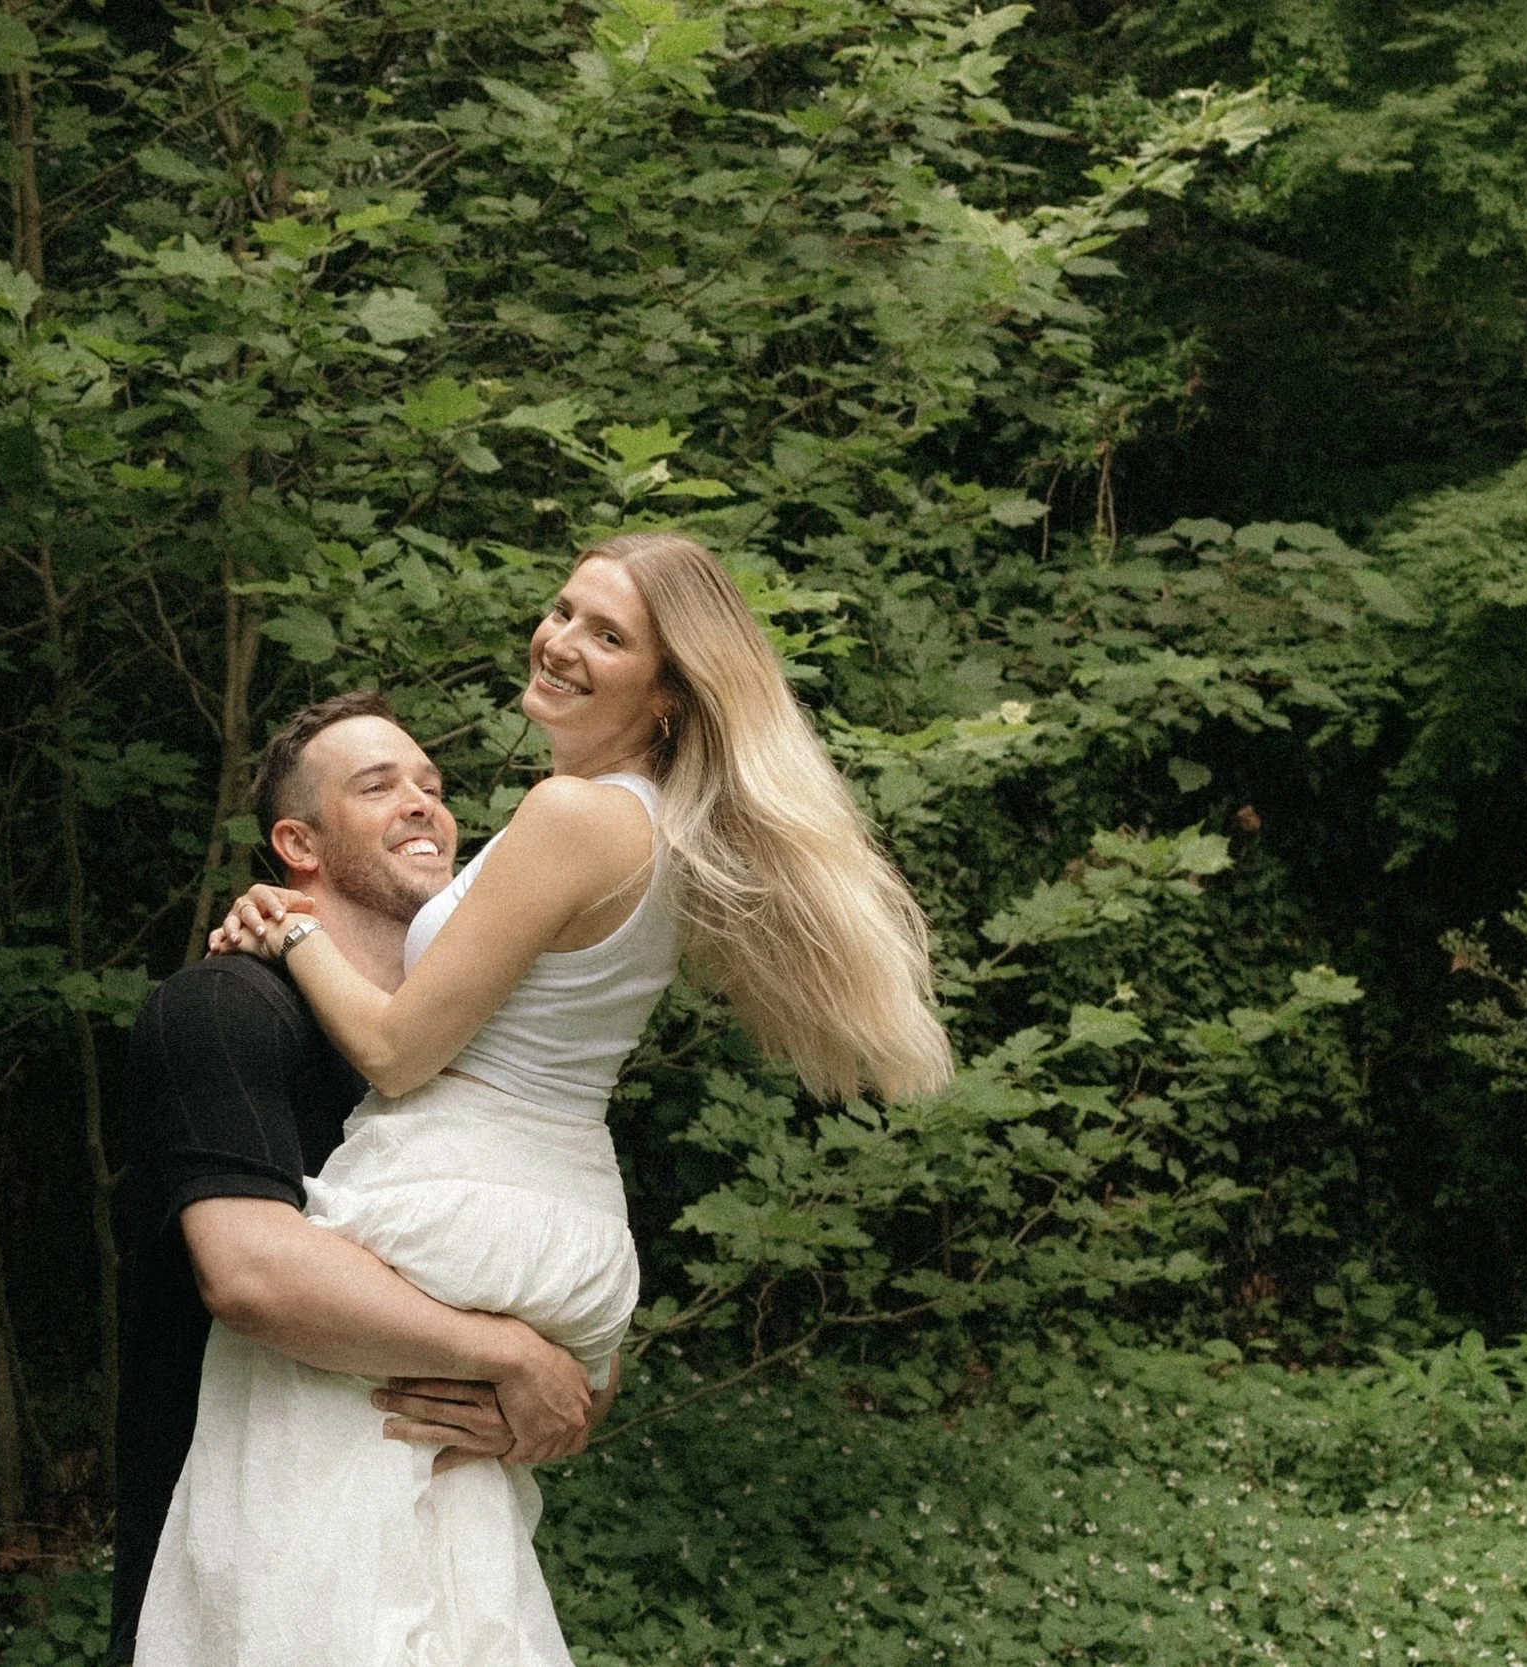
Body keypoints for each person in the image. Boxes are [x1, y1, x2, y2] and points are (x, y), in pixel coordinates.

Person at [136, 533, 956, 1666]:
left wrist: (289, 923)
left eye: (607, 634)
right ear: (298, 837)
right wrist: (539, 1358)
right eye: (565, 609)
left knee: (300, 1496)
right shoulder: (655, 825)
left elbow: (394, 1055)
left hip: (464, 1181)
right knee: (445, 1562)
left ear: (668, 694)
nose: (561, 641)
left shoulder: (575, 815)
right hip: (557, 1201)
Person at [108, 689, 606, 1667]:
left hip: (456, 1589)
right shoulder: (223, 1011)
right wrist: (508, 1357)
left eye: (431, 784)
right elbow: (252, 1273)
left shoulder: (473, 1060)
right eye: (377, 786)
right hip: (238, 1587)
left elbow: (573, 1310)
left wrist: (554, 1387)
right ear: (296, 842)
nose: (423, 802)